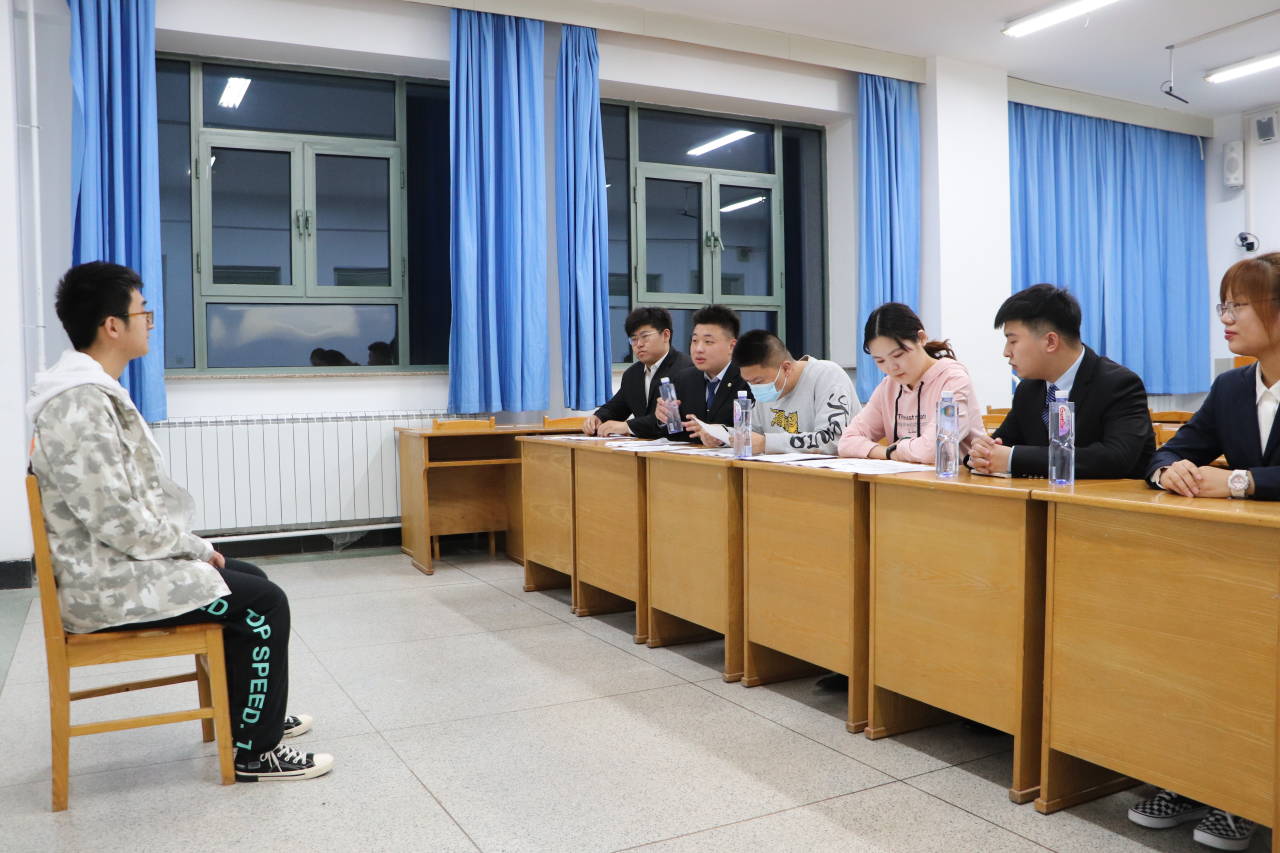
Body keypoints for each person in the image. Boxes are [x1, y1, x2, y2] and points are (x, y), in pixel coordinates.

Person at [28, 262, 333, 783]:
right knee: (264, 603)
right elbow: (120, 519)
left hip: (115, 567)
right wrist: (195, 549)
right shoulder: (79, 404)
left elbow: (127, 510)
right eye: (142, 312)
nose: (150, 321)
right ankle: (254, 753)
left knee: (250, 578)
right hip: (106, 586)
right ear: (112, 326)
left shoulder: (90, 391)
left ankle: (248, 718)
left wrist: (194, 546)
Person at [1128, 256, 1280, 851]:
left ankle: (1247, 794)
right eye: (1224, 305)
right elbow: (1168, 451)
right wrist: (1170, 471)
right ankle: (1196, 778)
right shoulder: (1232, 386)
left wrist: (1240, 481)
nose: (1225, 317)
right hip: (1233, 561)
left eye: (1238, 305)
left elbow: (1244, 479)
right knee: (1195, 659)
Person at [969, 283, 1155, 478]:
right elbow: (1000, 444)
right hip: (1045, 494)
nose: (1006, 352)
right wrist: (981, 453)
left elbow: (1116, 458)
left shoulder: (1119, 384)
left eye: (1013, 341)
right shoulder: (1028, 390)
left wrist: (1012, 458)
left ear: (1051, 342)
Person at [838, 303, 984, 462]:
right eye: (880, 361)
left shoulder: (953, 380)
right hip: (905, 475)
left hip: (954, 476)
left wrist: (893, 450)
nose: (891, 367)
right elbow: (846, 442)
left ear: (921, 338)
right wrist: (888, 453)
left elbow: (934, 449)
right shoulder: (888, 387)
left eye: (898, 355)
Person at [691, 329, 857, 454]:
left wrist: (766, 443)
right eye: (748, 382)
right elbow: (754, 434)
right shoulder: (768, 390)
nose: (754, 388)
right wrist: (722, 436)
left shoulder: (827, 376)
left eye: (758, 381)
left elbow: (832, 440)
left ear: (786, 368)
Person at [582, 307, 692, 438]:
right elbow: (616, 407)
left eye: (645, 337)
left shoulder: (686, 369)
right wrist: (598, 418)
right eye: (633, 339)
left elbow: (674, 419)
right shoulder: (632, 374)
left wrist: (627, 427)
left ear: (665, 335)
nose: (639, 344)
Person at [656, 305, 753, 440]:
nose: (698, 349)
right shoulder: (683, 379)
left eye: (708, 342)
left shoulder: (748, 380)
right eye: (694, 341)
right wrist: (664, 418)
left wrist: (719, 436)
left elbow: (754, 433)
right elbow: (674, 433)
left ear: (732, 346)